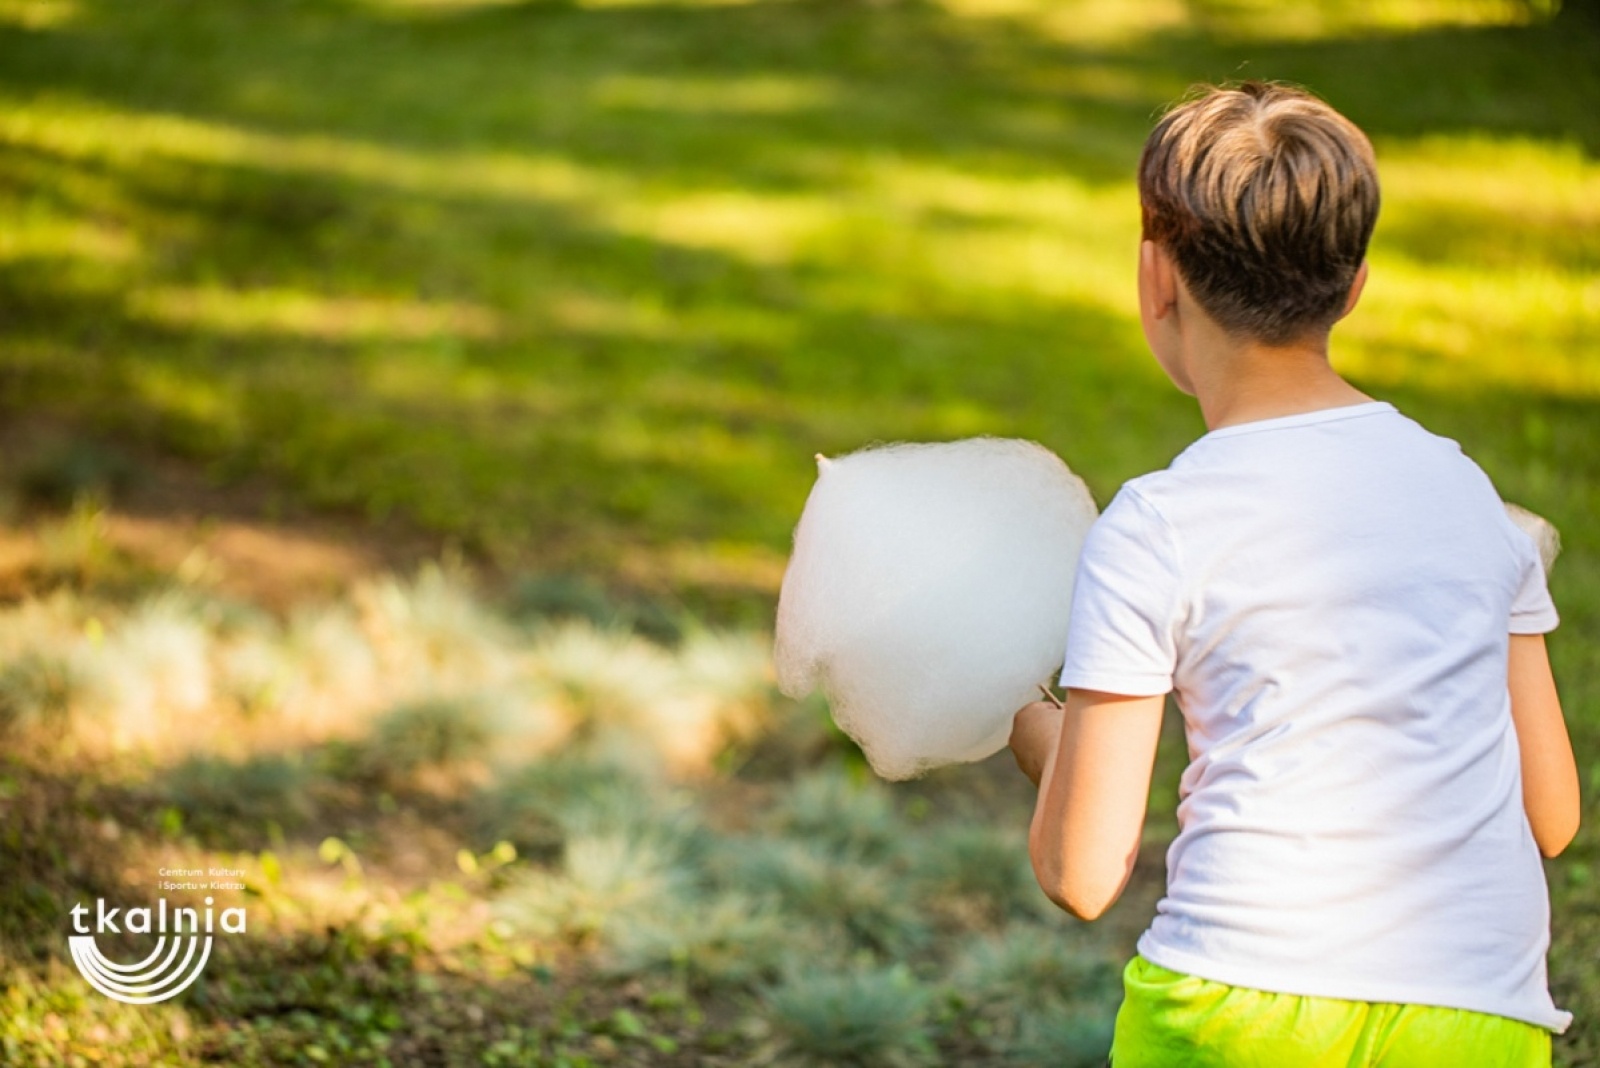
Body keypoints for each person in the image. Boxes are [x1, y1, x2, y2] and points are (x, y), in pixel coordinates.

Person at [1008, 81, 1580, 1066]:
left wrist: (1015, 715)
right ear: (1354, 286)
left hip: (1237, 1010)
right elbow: (1553, 816)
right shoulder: (1472, 496)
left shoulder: (1158, 524)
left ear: (1155, 275)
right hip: (1478, 1015)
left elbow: (1082, 874)